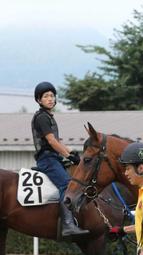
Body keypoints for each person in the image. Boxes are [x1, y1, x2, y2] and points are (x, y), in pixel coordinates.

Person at [32, 81, 89, 239]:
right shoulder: (42, 117)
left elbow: (59, 142)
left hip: (54, 157)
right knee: (67, 185)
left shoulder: (49, 117)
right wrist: (68, 155)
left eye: (52, 96)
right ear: (39, 100)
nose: (50, 98)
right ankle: (68, 225)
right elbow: (52, 142)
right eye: (46, 96)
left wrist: (74, 153)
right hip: (47, 159)